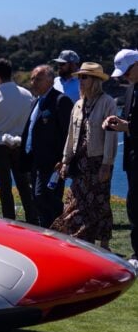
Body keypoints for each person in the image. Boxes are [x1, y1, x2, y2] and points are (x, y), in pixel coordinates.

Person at [51, 62, 117, 248]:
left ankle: (103, 243)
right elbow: (71, 136)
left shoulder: (107, 102)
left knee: (100, 203)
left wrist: (107, 164)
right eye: (79, 77)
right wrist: (65, 160)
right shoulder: (78, 105)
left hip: (98, 162)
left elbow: (111, 136)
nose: (80, 80)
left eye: (84, 77)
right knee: (74, 204)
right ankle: (80, 241)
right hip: (80, 164)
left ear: (95, 80)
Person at [0, 58, 37, 222]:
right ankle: (33, 218)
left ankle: (9, 220)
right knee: (24, 185)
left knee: (4, 186)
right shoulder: (27, 95)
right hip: (21, 143)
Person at [20, 65, 73, 227]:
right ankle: (48, 230)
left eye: (38, 79)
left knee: (44, 196)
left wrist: (63, 160)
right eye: (32, 78)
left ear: (50, 80)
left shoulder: (61, 100)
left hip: (53, 163)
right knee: (37, 198)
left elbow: (68, 134)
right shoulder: (36, 101)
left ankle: (66, 219)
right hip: (35, 160)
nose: (33, 82)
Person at [103, 48, 138, 265]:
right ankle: (137, 252)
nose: (124, 77)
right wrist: (117, 123)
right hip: (133, 160)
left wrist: (128, 127)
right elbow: (129, 120)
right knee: (134, 206)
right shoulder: (130, 89)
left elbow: (131, 124)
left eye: (127, 72)